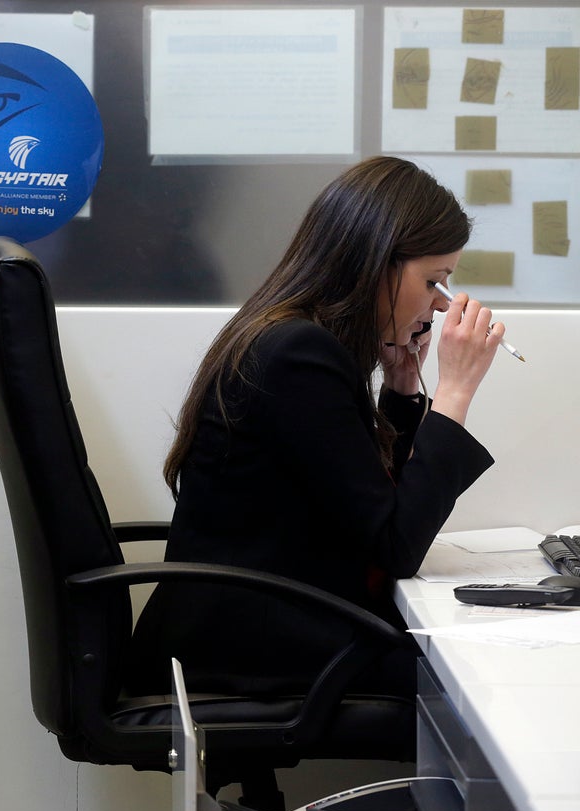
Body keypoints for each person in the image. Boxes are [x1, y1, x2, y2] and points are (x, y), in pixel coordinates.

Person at [126, 156, 503, 700]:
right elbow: (395, 547)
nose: (440, 306)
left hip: (255, 623)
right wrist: (456, 392)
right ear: (377, 264)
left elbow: (373, 510)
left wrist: (401, 392)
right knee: (476, 686)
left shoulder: (291, 337)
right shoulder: (299, 355)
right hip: (248, 646)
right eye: (434, 282)